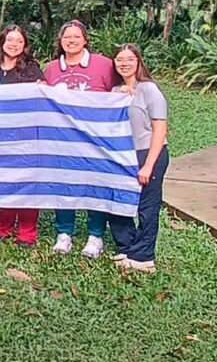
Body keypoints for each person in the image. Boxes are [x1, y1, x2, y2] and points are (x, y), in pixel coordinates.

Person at [43, 20, 116, 258]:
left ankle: (95, 236)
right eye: (67, 37)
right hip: (63, 142)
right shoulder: (52, 68)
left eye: (76, 36)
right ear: (60, 42)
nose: (71, 40)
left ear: (85, 40)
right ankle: (64, 233)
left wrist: (125, 92)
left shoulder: (103, 64)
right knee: (65, 185)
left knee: (95, 187)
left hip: (96, 141)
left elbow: (120, 86)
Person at [108, 44, 169, 273]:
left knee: (147, 205)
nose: (124, 63)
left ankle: (143, 256)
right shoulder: (115, 91)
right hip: (123, 154)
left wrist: (148, 165)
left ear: (138, 62)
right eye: (120, 60)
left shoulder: (149, 90)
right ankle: (127, 246)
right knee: (117, 201)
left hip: (149, 153)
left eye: (130, 59)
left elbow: (160, 129)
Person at [0, 25, 45, 247]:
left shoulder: (32, 70)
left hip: (27, 135)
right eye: (10, 39)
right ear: (2, 42)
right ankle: (2, 228)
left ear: (25, 45)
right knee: (5, 182)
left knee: (28, 181)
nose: (14, 44)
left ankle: (27, 232)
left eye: (19, 41)